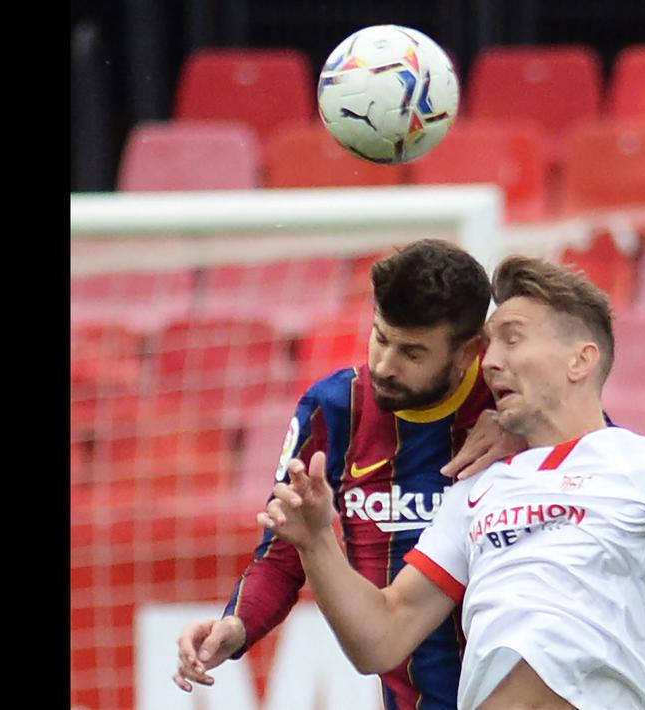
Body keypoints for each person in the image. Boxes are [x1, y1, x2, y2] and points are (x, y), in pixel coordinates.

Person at [259, 255, 645, 710]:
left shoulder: (640, 464)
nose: (491, 362)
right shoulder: (476, 490)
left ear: (580, 361)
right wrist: (317, 543)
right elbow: (381, 638)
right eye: (489, 346)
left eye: (512, 339)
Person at [172, 239, 528, 710]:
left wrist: (528, 431)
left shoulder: (514, 400)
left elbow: (605, 463)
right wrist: (235, 626)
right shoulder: (335, 410)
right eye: (380, 337)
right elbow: (283, 552)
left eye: (412, 353)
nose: (384, 364)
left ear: (468, 353)